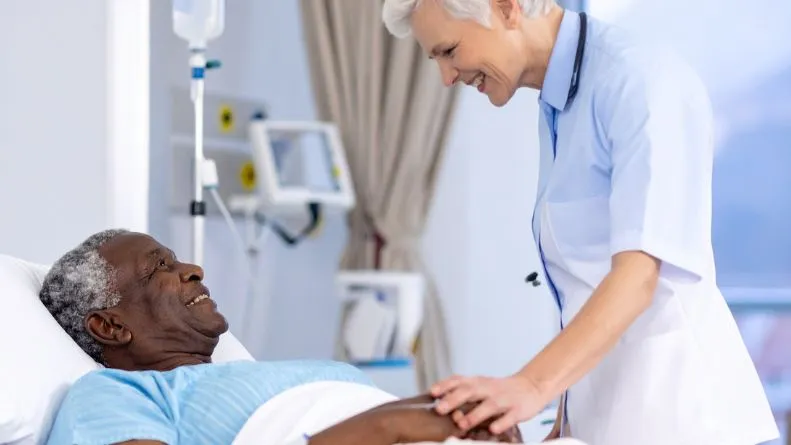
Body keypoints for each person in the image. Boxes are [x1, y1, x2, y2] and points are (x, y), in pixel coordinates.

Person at [380, 1, 778, 445]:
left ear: (507, 9)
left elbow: (638, 273)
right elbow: (584, 283)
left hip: (684, 418)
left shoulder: (640, 81)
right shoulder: (558, 104)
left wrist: (529, 387)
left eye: (450, 50)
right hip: (609, 417)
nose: (447, 77)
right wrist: (565, 419)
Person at [38, 229, 523, 445]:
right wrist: (387, 428)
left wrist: (451, 413)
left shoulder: (247, 379)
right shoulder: (111, 395)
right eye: (160, 268)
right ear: (110, 326)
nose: (194, 269)